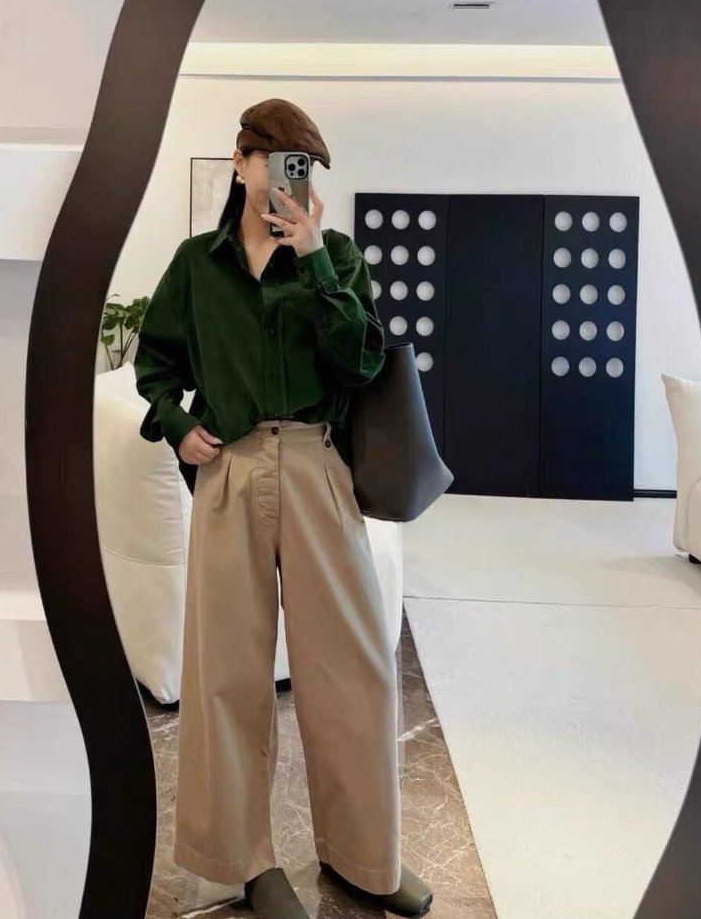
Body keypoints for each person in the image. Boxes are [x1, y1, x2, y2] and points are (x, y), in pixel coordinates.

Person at [134, 98, 433, 919]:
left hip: (316, 463)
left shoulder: (335, 257)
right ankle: (243, 861)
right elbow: (155, 364)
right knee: (226, 674)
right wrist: (178, 426)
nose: (286, 181)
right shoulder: (196, 265)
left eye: (302, 169)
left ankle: (365, 857)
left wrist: (317, 263)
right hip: (231, 468)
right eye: (275, 161)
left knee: (353, 668)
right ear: (240, 163)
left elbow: (363, 362)